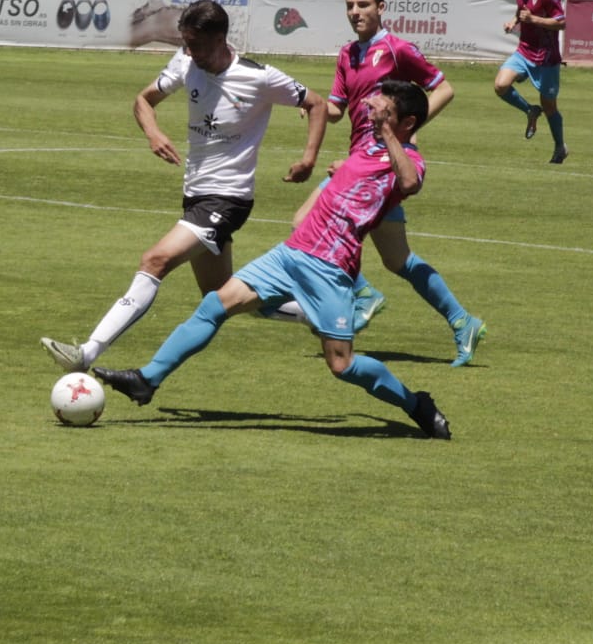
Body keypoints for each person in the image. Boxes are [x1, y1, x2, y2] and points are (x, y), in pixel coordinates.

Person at [90, 80, 451, 441]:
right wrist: (346, 157)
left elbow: (409, 182)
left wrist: (388, 131)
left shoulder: (409, 159)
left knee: (342, 364)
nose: (374, 115)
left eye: (384, 112)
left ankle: (416, 404)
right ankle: (146, 380)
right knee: (215, 304)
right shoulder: (371, 142)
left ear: (406, 123)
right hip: (290, 253)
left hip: (329, 267)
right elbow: (354, 132)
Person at [40, 0, 329, 374]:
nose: (190, 53)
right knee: (221, 295)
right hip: (197, 193)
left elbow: (317, 104)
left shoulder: (259, 77)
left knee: (154, 260)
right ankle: (320, 312)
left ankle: (88, 352)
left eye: (197, 45)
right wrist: (153, 132)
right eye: (186, 43)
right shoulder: (185, 62)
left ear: (221, 39)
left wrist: (308, 158)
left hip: (227, 198)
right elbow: (144, 100)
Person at [297, 0, 485, 367]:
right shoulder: (348, 54)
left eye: (363, 5)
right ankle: (462, 321)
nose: (355, 12)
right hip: (360, 161)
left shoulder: (397, 49)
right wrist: (312, 105)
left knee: (306, 223)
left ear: (381, 8)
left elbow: (444, 88)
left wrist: (404, 132)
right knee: (397, 259)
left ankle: (363, 296)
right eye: (350, 6)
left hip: (377, 165)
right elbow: (335, 110)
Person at [493, 0, 568, 164]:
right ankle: (529, 111)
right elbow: (521, 10)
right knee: (500, 85)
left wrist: (533, 20)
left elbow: (561, 23)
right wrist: (513, 21)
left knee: (550, 106)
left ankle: (559, 147)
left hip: (546, 57)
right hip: (524, 51)